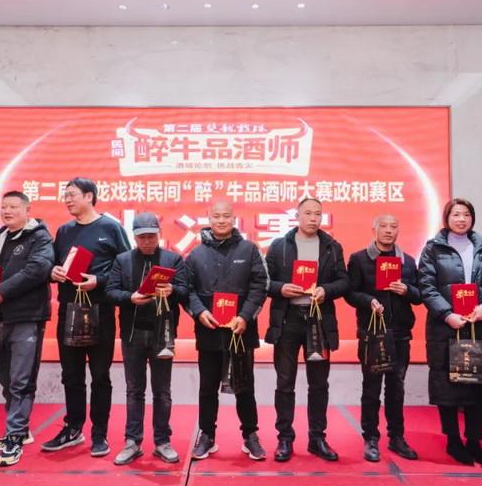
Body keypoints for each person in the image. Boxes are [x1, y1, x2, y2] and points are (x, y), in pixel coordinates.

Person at [41, 178, 131, 456]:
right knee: (71, 374)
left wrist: (99, 280)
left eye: (72, 195)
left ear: (89, 196)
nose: (67, 200)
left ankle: (99, 433)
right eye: (65, 195)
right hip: (69, 309)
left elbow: (126, 266)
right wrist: (53, 272)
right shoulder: (64, 230)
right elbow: (54, 264)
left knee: (100, 375)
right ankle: (72, 428)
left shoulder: (111, 227)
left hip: (99, 310)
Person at [418, 198, 482, 467]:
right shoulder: (433, 248)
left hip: (479, 325)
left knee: (477, 384)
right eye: (456, 214)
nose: (461, 219)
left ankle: (474, 442)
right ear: (447, 218)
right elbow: (426, 287)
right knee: (448, 385)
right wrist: (447, 314)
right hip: (446, 327)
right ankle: (453, 441)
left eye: (466, 214)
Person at [264, 198, 351, 462]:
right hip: (287, 320)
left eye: (318, 214)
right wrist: (280, 288)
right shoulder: (279, 246)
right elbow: (263, 281)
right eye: (308, 213)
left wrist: (327, 290)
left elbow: (344, 281)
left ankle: (317, 438)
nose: (313, 218)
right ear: (297, 216)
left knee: (319, 384)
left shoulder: (332, 247)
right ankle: (284, 439)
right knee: (285, 383)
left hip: (318, 321)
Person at [184, 202, 268, 461]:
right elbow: (187, 289)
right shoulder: (196, 254)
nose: (221, 220)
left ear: (234, 218)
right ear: (209, 219)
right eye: (216, 216)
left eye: (226, 216)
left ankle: (250, 436)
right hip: (208, 330)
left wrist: (245, 316)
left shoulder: (249, 249)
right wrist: (199, 312)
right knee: (207, 388)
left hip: (240, 331)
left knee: (244, 386)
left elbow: (260, 286)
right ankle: (207, 436)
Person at [105, 212, 188, 465]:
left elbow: (186, 291)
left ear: (159, 235)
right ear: (134, 237)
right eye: (142, 237)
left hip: (163, 334)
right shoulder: (123, 260)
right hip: (133, 334)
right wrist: (130, 298)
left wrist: (172, 290)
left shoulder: (173, 259)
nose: (147, 241)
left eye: (151, 236)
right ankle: (133, 442)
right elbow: (110, 291)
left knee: (162, 391)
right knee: (134, 391)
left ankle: (162, 441)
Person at [0, 191, 54, 467]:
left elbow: (38, 270)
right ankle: (20, 430)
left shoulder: (40, 237)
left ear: (27, 210)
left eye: (13, 207)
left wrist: (1, 291)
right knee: (6, 379)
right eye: (4, 207)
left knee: (21, 380)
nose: (7, 211)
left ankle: (14, 437)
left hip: (27, 317)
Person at [345, 214, 422, 462]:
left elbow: (420, 296)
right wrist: (369, 301)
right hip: (372, 333)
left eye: (393, 227)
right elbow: (350, 293)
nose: (389, 231)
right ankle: (370, 438)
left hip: (400, 334)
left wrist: (406, 290)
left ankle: (396, 437)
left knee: (396, 388)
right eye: (384, 226)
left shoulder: (407, 262)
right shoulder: (359, 259)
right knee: (371, 388)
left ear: (398, 231)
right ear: (375, 230)